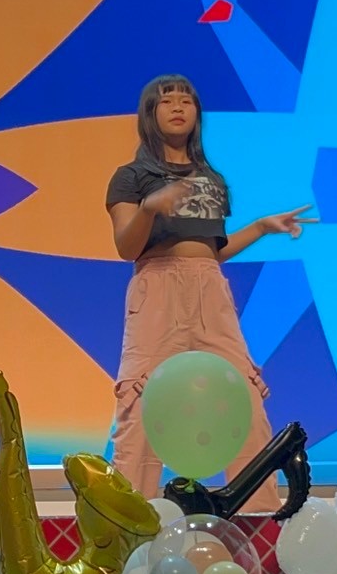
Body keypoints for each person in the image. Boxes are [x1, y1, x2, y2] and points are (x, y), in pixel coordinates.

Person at [106, 75, 312, 507]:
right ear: (149, 114)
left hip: (210, 291)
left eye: (187, 101)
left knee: (244, 396)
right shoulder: (131, 176)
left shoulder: (211, 179)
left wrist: (260, 228)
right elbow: (127, 246)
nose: (178, 107)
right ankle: (128, 521)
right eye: (167, 101)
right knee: (141, 402)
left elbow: (211, 252)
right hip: (158, 288)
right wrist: (149, 208)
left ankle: (258, 515)